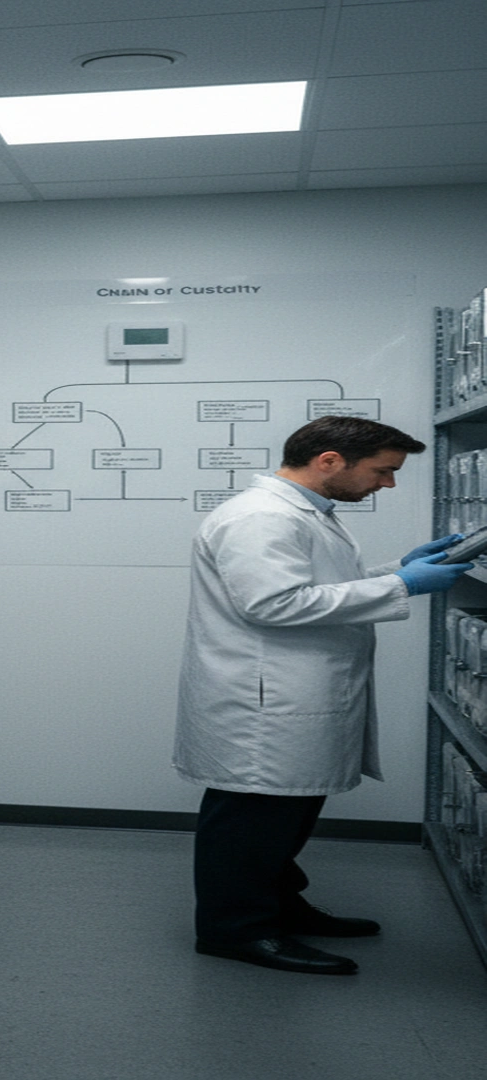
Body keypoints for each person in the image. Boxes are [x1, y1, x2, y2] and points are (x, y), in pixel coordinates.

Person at [176, 416, 474, 975]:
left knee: (282, 819)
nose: (387, 483)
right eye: (382, 471)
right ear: (330, 460)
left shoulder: (302, 512)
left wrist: (400, 568)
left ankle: (279, 907)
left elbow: (320, 586)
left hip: (291, 692)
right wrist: (402, 585)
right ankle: (234, 931)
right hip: (264, 704)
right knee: (250, 821)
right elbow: (272, 604)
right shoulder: (261, 517)